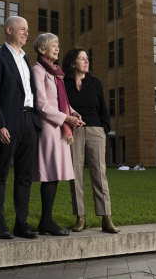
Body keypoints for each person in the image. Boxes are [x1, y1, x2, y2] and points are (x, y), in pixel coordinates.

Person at [0, 16, 41, 239]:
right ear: (9, 30)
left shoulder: (26, 57)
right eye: (22, 29)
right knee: (0, 174)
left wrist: (36, 122)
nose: (26, 33)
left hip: (29, 122)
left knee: (24, 176)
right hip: (8, 122)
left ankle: (22, 223)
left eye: (27, 29)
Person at [62, 48, 120, 234]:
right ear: (73, 63)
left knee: (99, 174)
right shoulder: (63, 83)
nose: (86, 62)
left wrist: (104, 128)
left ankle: (106, 218)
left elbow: (103, 107)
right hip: (74, 131)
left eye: (87, 58)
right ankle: (81, 217)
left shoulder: (95, 82)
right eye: (82, 59)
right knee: (76, 175)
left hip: (95, 130)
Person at [32, 33, 84, 236]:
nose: (57, 48)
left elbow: (61, 101)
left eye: (58, 45)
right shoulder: (38, 71)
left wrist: (73, 113)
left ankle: (46, 220)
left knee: (54, 175)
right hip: (49, 127)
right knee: (49, 174)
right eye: (52, 45)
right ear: (41, 49)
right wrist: (66, 118)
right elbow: (42, 105)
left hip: (59, 126)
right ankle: (45, 221)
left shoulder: (56, 73)